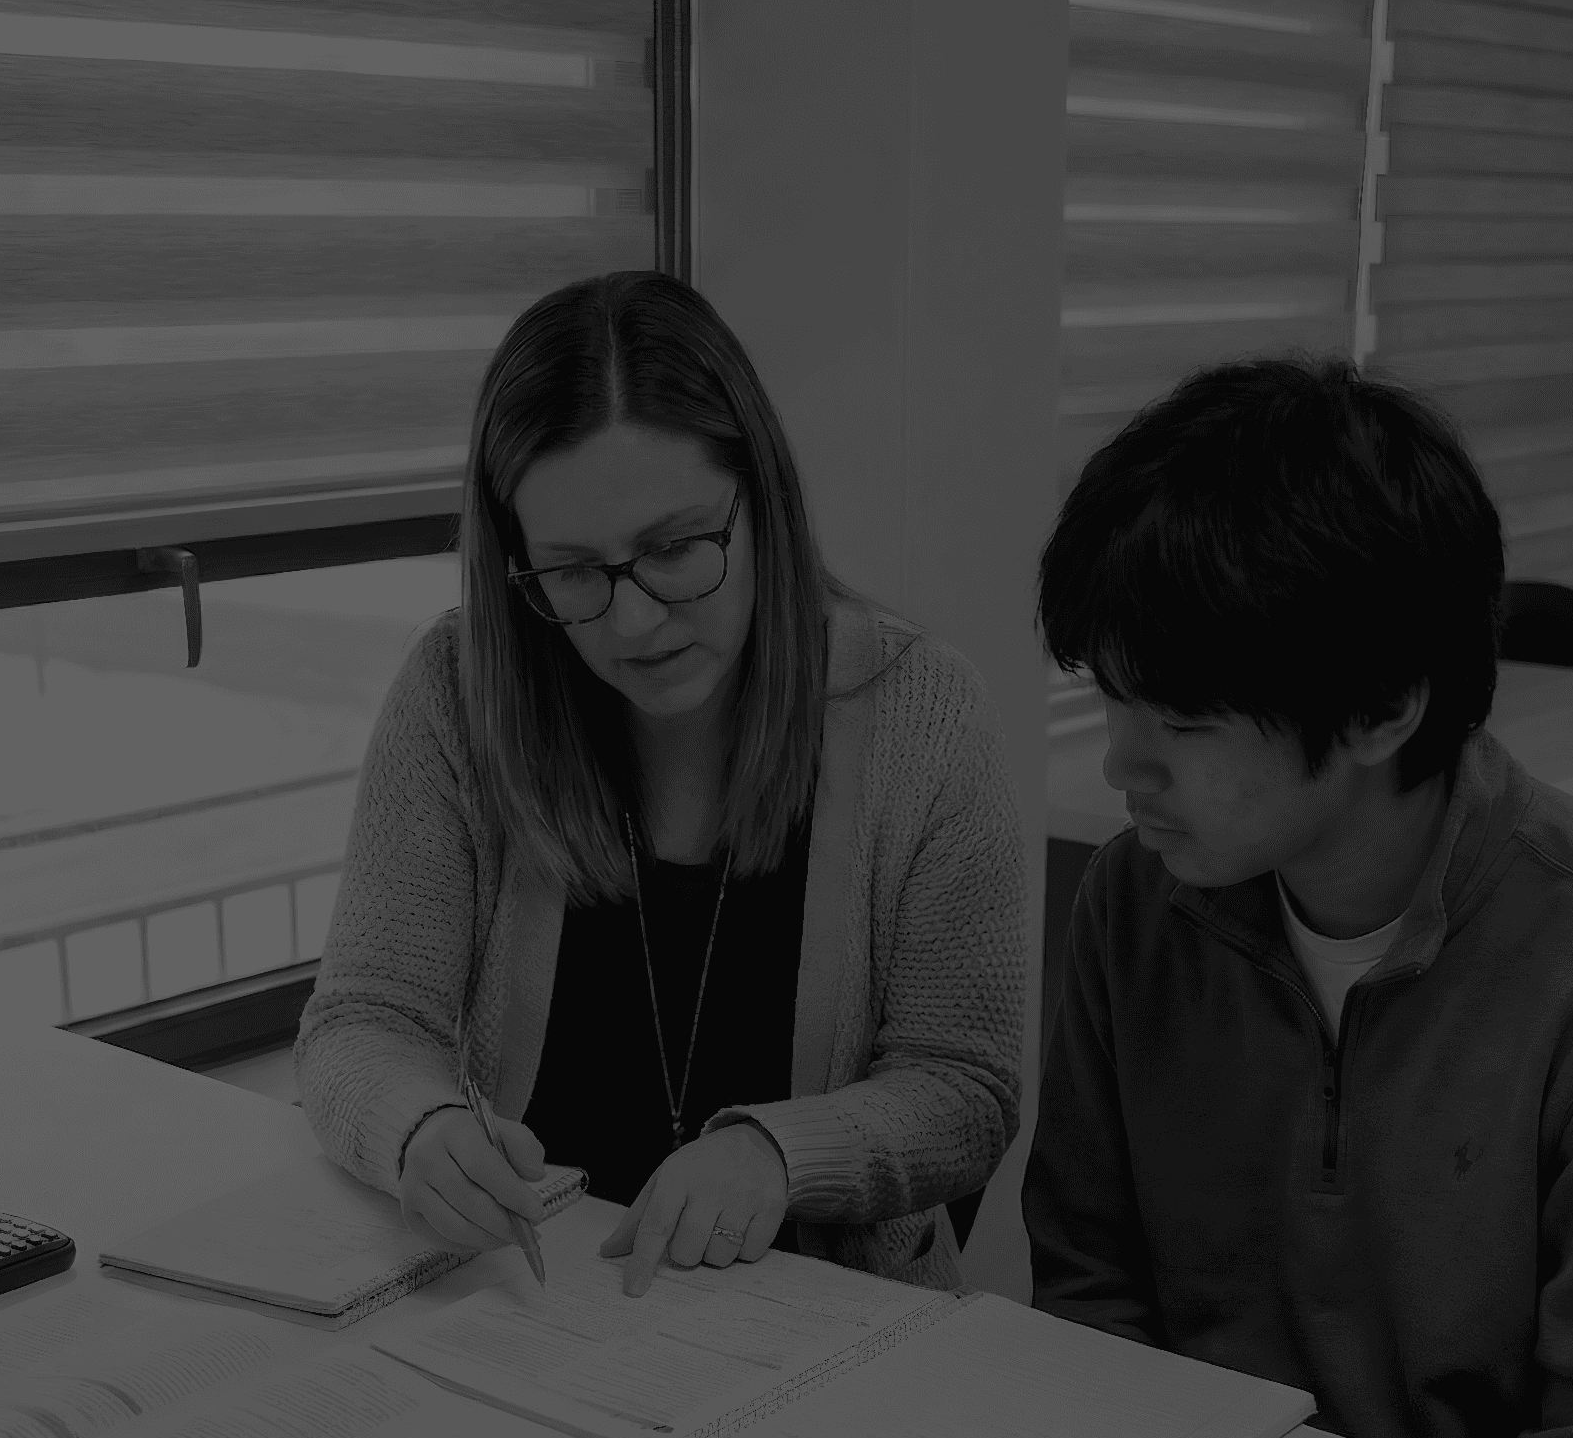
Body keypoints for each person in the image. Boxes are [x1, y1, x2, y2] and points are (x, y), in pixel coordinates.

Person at [1024, 354, 1573, 1438]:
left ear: (1383, 708)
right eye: (1110, 701)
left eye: (1182, 721)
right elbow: (1089, 1299)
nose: (1123, 765)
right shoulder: (1140, 904)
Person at [296, 270, 1026, 1296]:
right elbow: (360, 1021)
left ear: (761, 500)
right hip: (538, 1309)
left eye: (675, 548)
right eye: (572, 571)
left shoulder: (921, 716)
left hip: (828, 1335)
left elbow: (968, 1089)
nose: (633, 622)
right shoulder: (457, 698)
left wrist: (780, 1152)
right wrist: (417, 1128)